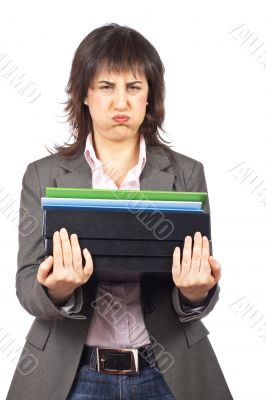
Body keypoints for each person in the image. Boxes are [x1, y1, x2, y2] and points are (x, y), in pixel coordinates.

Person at [6, 23, 233, 400]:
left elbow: (198, 277)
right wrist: (56, 289)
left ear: (150, 97)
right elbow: (26, 282)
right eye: (106, 87)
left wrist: (197, 293)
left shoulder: (186, 173)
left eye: (133, 87)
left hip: (168, 369)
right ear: (84, 94)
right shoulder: (43, 175)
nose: (120, 103)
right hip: (71, 372)